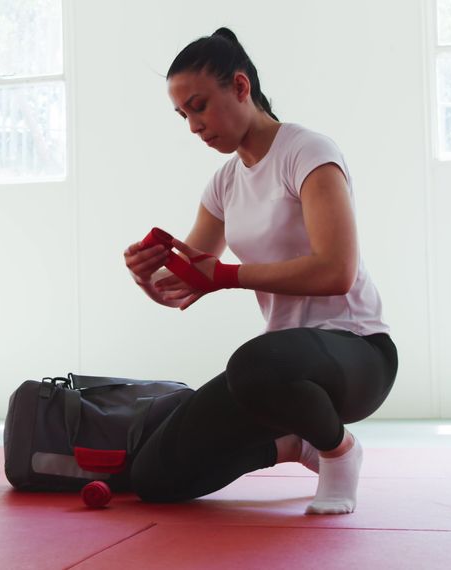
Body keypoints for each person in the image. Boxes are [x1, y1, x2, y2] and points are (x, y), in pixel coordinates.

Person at [122, 27, 398, 514]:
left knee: (251, 363)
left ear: (241, 87)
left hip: (357, 355)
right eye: (183, 114)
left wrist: (226, 276)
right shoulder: (225, 182)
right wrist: (147, 275)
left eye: (200, 106)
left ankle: (339, 451)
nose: (193, 126)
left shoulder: (307, 153)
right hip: (280, 375)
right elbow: (185, 285)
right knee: (153, 476)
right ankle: (293, 445)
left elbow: (336, 271)